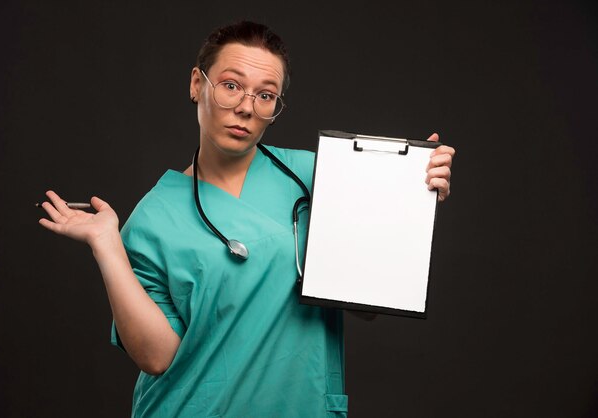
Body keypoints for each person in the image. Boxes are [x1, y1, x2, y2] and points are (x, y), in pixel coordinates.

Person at [38, 20, 455, 418]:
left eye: (265, 94)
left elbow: (368, 301)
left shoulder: (322, 177)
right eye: (231, 86)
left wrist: (409, 196)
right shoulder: (153, 219)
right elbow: (156, 356)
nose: (245, 107)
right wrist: (107, 246)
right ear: (197, 84)